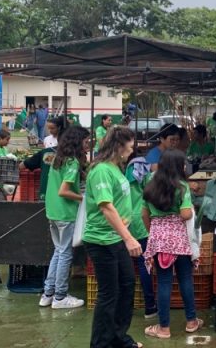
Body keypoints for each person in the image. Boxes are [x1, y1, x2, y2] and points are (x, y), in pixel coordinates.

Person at [83, 127, 142, 348]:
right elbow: (106, 207)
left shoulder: (116, 168)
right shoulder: (101, 171)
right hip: (101, 240)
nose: (132, 149)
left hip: (115, 239)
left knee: (126, 285)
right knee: (109, 294)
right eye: (130, 145)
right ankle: (100, 343)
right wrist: (129, 238)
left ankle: (118, 338)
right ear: (119, 146)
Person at [141, 150, 203, 338]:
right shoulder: (182, 186)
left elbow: (144, 214)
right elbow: (185, 214)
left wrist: (154, 230)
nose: (185, 167)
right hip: (179, 238)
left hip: (159, 239)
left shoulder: (150, 185)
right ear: (177, 166)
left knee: (164, 282)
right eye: (183, 164)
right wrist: (191, 212)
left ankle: (164, 328)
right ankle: (192, 321)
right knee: (185, 279)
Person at [38, 126, 89, 309]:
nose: (87, 144)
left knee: (58, 252)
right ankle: (60, 296)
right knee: (65, 253)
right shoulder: (72, 162)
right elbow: (64, 191)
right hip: (66, 214)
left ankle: (48, 294)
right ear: (77, 142)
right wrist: (83, 198)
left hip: (53, 212)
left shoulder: (57, 159)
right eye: (85, 141)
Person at [125, 153, 157, 320]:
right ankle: (150, 306)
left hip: (125, 221)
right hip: (141, 220)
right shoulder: (144, 170)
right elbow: (150, 195)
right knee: (144, 264)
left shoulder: (124, 173)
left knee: (127, 266)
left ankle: (126, 306)